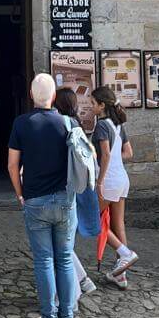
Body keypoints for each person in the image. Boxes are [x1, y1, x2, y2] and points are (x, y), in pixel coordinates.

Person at [7, 73, 78, 318]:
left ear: (31, 95)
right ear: (53, 97)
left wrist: (20, 194)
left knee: (45, 260)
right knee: (65, 258)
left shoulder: (22, 124)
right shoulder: (68, 123)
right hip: (64, 199)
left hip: (36, 199)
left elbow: (13, 164)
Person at [53, 87, 97, 301]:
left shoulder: (61, 125)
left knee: (59, 244)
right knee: (63, 242)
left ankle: (73, 294)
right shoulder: (76, 124)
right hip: (76, 189)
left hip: (64, 191)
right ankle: (82, 280)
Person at [92, 85, 137, 287]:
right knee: (119, 226)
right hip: (122, 179)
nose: (91, 106)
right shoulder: (118, 125)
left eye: (93, 103)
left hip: (109, 180)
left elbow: (106, 154)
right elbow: (128, 153)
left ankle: (126, 254)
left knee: (94, 221)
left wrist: (99, 180)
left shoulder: (102, 125)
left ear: (102, 105)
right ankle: (121, 273)